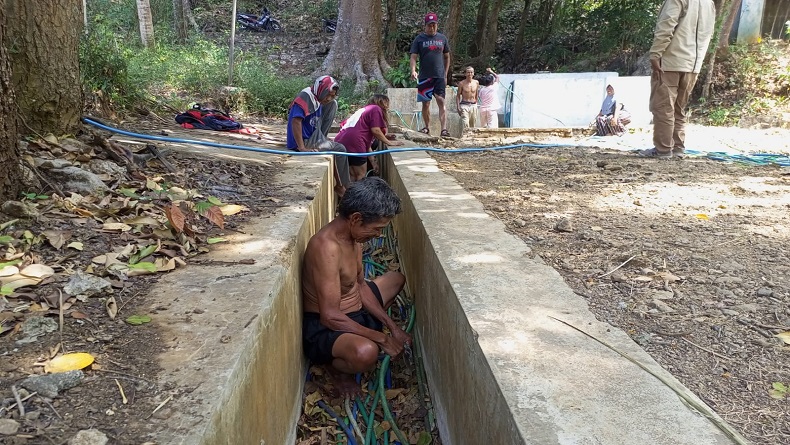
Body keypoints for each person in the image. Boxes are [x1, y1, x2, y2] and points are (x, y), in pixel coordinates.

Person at [301, 177, 412, 395]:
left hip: (356, 311)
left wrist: (393, 327)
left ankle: (366, 333)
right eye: (376, 229)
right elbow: (330, 316)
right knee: (366, 353)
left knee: (396, 279)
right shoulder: (326, 248)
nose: (378, 235)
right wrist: (383, 339)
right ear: (356, 218)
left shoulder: (353, 238)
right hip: (328, 326)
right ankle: (335, 369)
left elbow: (360, 286)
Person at [640, 0, 715, 158]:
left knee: (663, 107)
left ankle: (663, 149)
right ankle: (678, 148)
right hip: (693, 65)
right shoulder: (709, 3)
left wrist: (655, 54)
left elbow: (666, 26)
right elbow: (709, 32)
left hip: (670, 62)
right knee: (679, 108)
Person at [287, 75, 351, 195]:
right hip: (305, 140)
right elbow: (295, 121)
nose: (328, 98)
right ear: (321, 90)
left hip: (313, 134)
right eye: (328, 94)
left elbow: (328, 105)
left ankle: (322, 138)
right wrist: (302, 148)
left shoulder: (316, 98)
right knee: (340, 149)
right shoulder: (305, 97)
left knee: (333, 104)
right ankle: (342, 187)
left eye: (332, 95)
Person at [335, 94, 404, 182]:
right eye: (386, 103)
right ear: (380, 102)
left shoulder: (363, 110)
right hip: (355, 141)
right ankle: (359, 191)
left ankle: (349, 191)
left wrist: (373, 163)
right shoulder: (375, 108)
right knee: (361, 175)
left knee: (352, 175)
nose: (387, 107)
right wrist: (389, 142)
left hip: (341, 140)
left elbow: (367, 145)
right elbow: (376, 130)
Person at [410, 12, 451, 138]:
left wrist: (445, 74)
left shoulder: (442, 38)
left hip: (439, 76)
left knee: (441, 100)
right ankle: (426, 127)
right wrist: (413, 70)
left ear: (437, 25)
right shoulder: (419, 39)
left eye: (434, 25)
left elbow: (447, 56)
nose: (432, 27)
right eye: (429, 25)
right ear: (425, 26)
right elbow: (413, 56)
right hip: (425, 76)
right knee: (426, 103)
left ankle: (444, 130)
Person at [456, 66, 480, 134]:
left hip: (473, 105)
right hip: (464, 105)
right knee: (465, 123)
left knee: (473, 125)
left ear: (473, 73)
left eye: (471, 72)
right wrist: (458, 107)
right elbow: (458, 96)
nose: (470, 74)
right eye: (468, 72)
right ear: (465, 74)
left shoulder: (476, 82)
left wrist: (476, 104)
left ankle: (471, 138)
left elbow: (476, 94)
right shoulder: (461, 83)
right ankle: (465, 136)